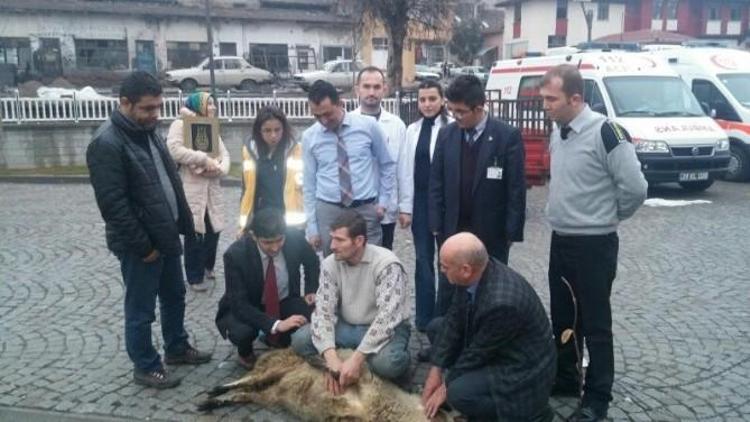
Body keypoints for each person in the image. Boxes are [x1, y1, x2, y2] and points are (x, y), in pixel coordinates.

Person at [86, 71, 212, 389]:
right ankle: (145, 365)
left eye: (157, 107)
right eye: (147, 108)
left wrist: (183, 223)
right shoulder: (107, 143)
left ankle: (176, 348)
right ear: (124, 103)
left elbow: (166, 182)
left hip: (166, 234)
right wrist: (144, 247)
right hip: (140, 245)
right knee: (141, 308)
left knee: (174, 295)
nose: (154, 114)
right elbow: (114, 207)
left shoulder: (148, 132)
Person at [540, 64, 647, 422]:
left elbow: (635, 188)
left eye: (551, 99)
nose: (545, 106)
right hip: (562, 240)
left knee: (596, 322)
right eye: (543, 99)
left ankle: (598, 397)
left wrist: (606, 216)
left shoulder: (607, 132)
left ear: (575, 98)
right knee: (564, 316)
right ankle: (567, 378)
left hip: (594, 244)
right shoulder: (560, 130)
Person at [421, 232, 555, 422]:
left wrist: (445, 388)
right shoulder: (476, 270)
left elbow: (477, 354)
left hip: (519, 367)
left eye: (444, 267)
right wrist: (435, 371)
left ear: (466, 270)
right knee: (436, 327)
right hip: (492, 344)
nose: (441, 270)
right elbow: (453, 319)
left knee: (458, 394)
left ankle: (528, 414)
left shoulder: (503, 303)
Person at [429, 74, 526, 316]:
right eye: (452, 111)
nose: (456, 117)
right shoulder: (447, 135)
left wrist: (511, 232)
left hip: (490, 231)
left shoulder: (506, 136)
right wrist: (435, 224)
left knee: (489, 288)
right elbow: (436, 182)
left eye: (461, 111)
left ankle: (484, 338)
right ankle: (444, 340)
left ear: (479, 107)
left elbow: (516, 188)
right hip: (453, 227)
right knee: (450, 286)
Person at [291, 210, 411, 391]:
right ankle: (346, 364)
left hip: (385, 327)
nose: (332, 245)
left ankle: (368, 361)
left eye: (339, 240)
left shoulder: (386, 265)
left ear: (359, 241)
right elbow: (323, 312)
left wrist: (356, 360)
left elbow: (386, 319)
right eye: (332, 238)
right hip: (347, 325)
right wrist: (331, 360)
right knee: (299, 340)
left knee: (388, 364)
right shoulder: (330, 263)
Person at [215, 208, 319, 369]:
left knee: (309, 316)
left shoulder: (294, 237)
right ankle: (245, 352)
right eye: (267, 242)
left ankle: (277, 339)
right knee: (243, 332)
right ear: (254, 236)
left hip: (284, 299)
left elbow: (312, 261)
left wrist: (311, 289)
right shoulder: (235, 255)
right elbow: (239, 304)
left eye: (279, 240)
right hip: (249, 305)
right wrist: (277, 324)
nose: (275, 247)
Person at [302, 80, 395, 255]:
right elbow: (309, 185)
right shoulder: (309, 137)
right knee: (334, 265)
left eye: (328, 114)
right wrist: (312, 228)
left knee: (370, 261)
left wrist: (383, 203)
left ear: (341, 103)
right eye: (317, 116)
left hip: (365, 209)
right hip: (329, 210)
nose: (323, 120)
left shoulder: (368, 126)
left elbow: (387, 164)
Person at [399, 79, 453, 332]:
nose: (427, 104)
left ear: (442, 100)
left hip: (445, 203)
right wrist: (405, 207)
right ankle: (424, 318)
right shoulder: (412, 130)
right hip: (420, 203)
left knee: (447, 260)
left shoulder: (453, 127)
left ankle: (445, 316)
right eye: (422, 100)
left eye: (432, 99)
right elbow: (406, 172)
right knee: (422, 260)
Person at [166, 92, 230, 291]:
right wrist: (203, 160)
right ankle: (194, 276)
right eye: (209, 103)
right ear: (198, 105)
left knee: (213, 230)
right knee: (195, 232)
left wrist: (220, 168)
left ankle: (207, 266)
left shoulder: (210, 125)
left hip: (212, 187)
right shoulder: (181, 124)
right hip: (192, 187)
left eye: (213, 103)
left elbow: (224, 153)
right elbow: (174, 149)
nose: (213, 107)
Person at [351, 66, 407, 250]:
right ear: (357, 89)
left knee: (382, 259)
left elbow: (402, 170)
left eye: (376, 87)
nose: (371, 92)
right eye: (366, 86)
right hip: (354, 208)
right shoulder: (347, 123)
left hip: (386, 209)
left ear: (385, 89)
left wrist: (405, 206)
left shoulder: (396, 125)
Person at [238, 105, 305, 233]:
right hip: (260, 217)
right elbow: (246, 190)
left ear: (284, 129)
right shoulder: (249, 151)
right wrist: (243, 225)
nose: (273, 135)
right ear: (259, 131)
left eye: (277, 130)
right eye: (267, 131)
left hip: (289, 220)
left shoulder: (297, 151)